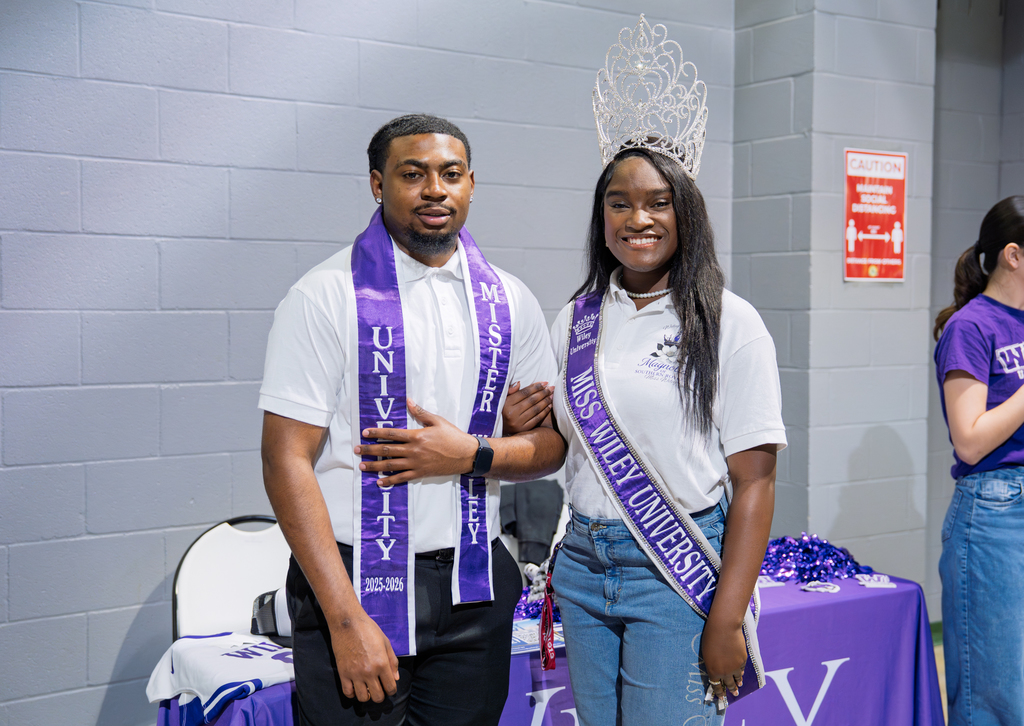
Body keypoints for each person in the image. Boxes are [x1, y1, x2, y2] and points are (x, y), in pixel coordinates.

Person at [505, 18, 786, 724]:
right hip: (582, 569)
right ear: (601, 215)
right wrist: (514, 433)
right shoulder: (575, 319)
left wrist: (725, 619)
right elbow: (564, 451)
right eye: (620, 202)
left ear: (685, 212)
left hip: (674, 569)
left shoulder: (730, 322)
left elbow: (755, 482)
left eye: (659, 202)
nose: (639, 219)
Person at [259, 113, 566, 726]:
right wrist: (345, 620)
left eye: (450, 174)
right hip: (356, 584)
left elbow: (551, 448)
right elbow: (284, 458)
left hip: (473, 586)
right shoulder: (322, 296)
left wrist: (475, 452)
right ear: (378, 185)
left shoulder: (510, 299)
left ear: (471, 184)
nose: (435, 189)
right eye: (412, 174)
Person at [932, 195, 1024, 726]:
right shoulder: (971, 326)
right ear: (1013, 255)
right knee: (995, 691)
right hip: (994, 512)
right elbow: (969, 439)